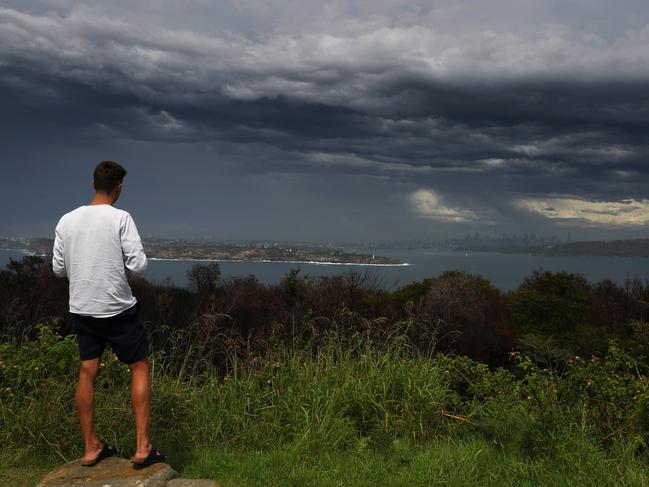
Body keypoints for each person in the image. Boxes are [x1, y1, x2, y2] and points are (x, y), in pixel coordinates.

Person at [52, 160, 165, 468]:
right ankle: (142, 447)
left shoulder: (67, 220)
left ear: (92, 184)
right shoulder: (121, 218)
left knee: (87, 372)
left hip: (83, 308)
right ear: (119, 188)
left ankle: (91, 447)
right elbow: (138, 266)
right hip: (117, 308)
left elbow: (58, 269)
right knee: (139, 368)